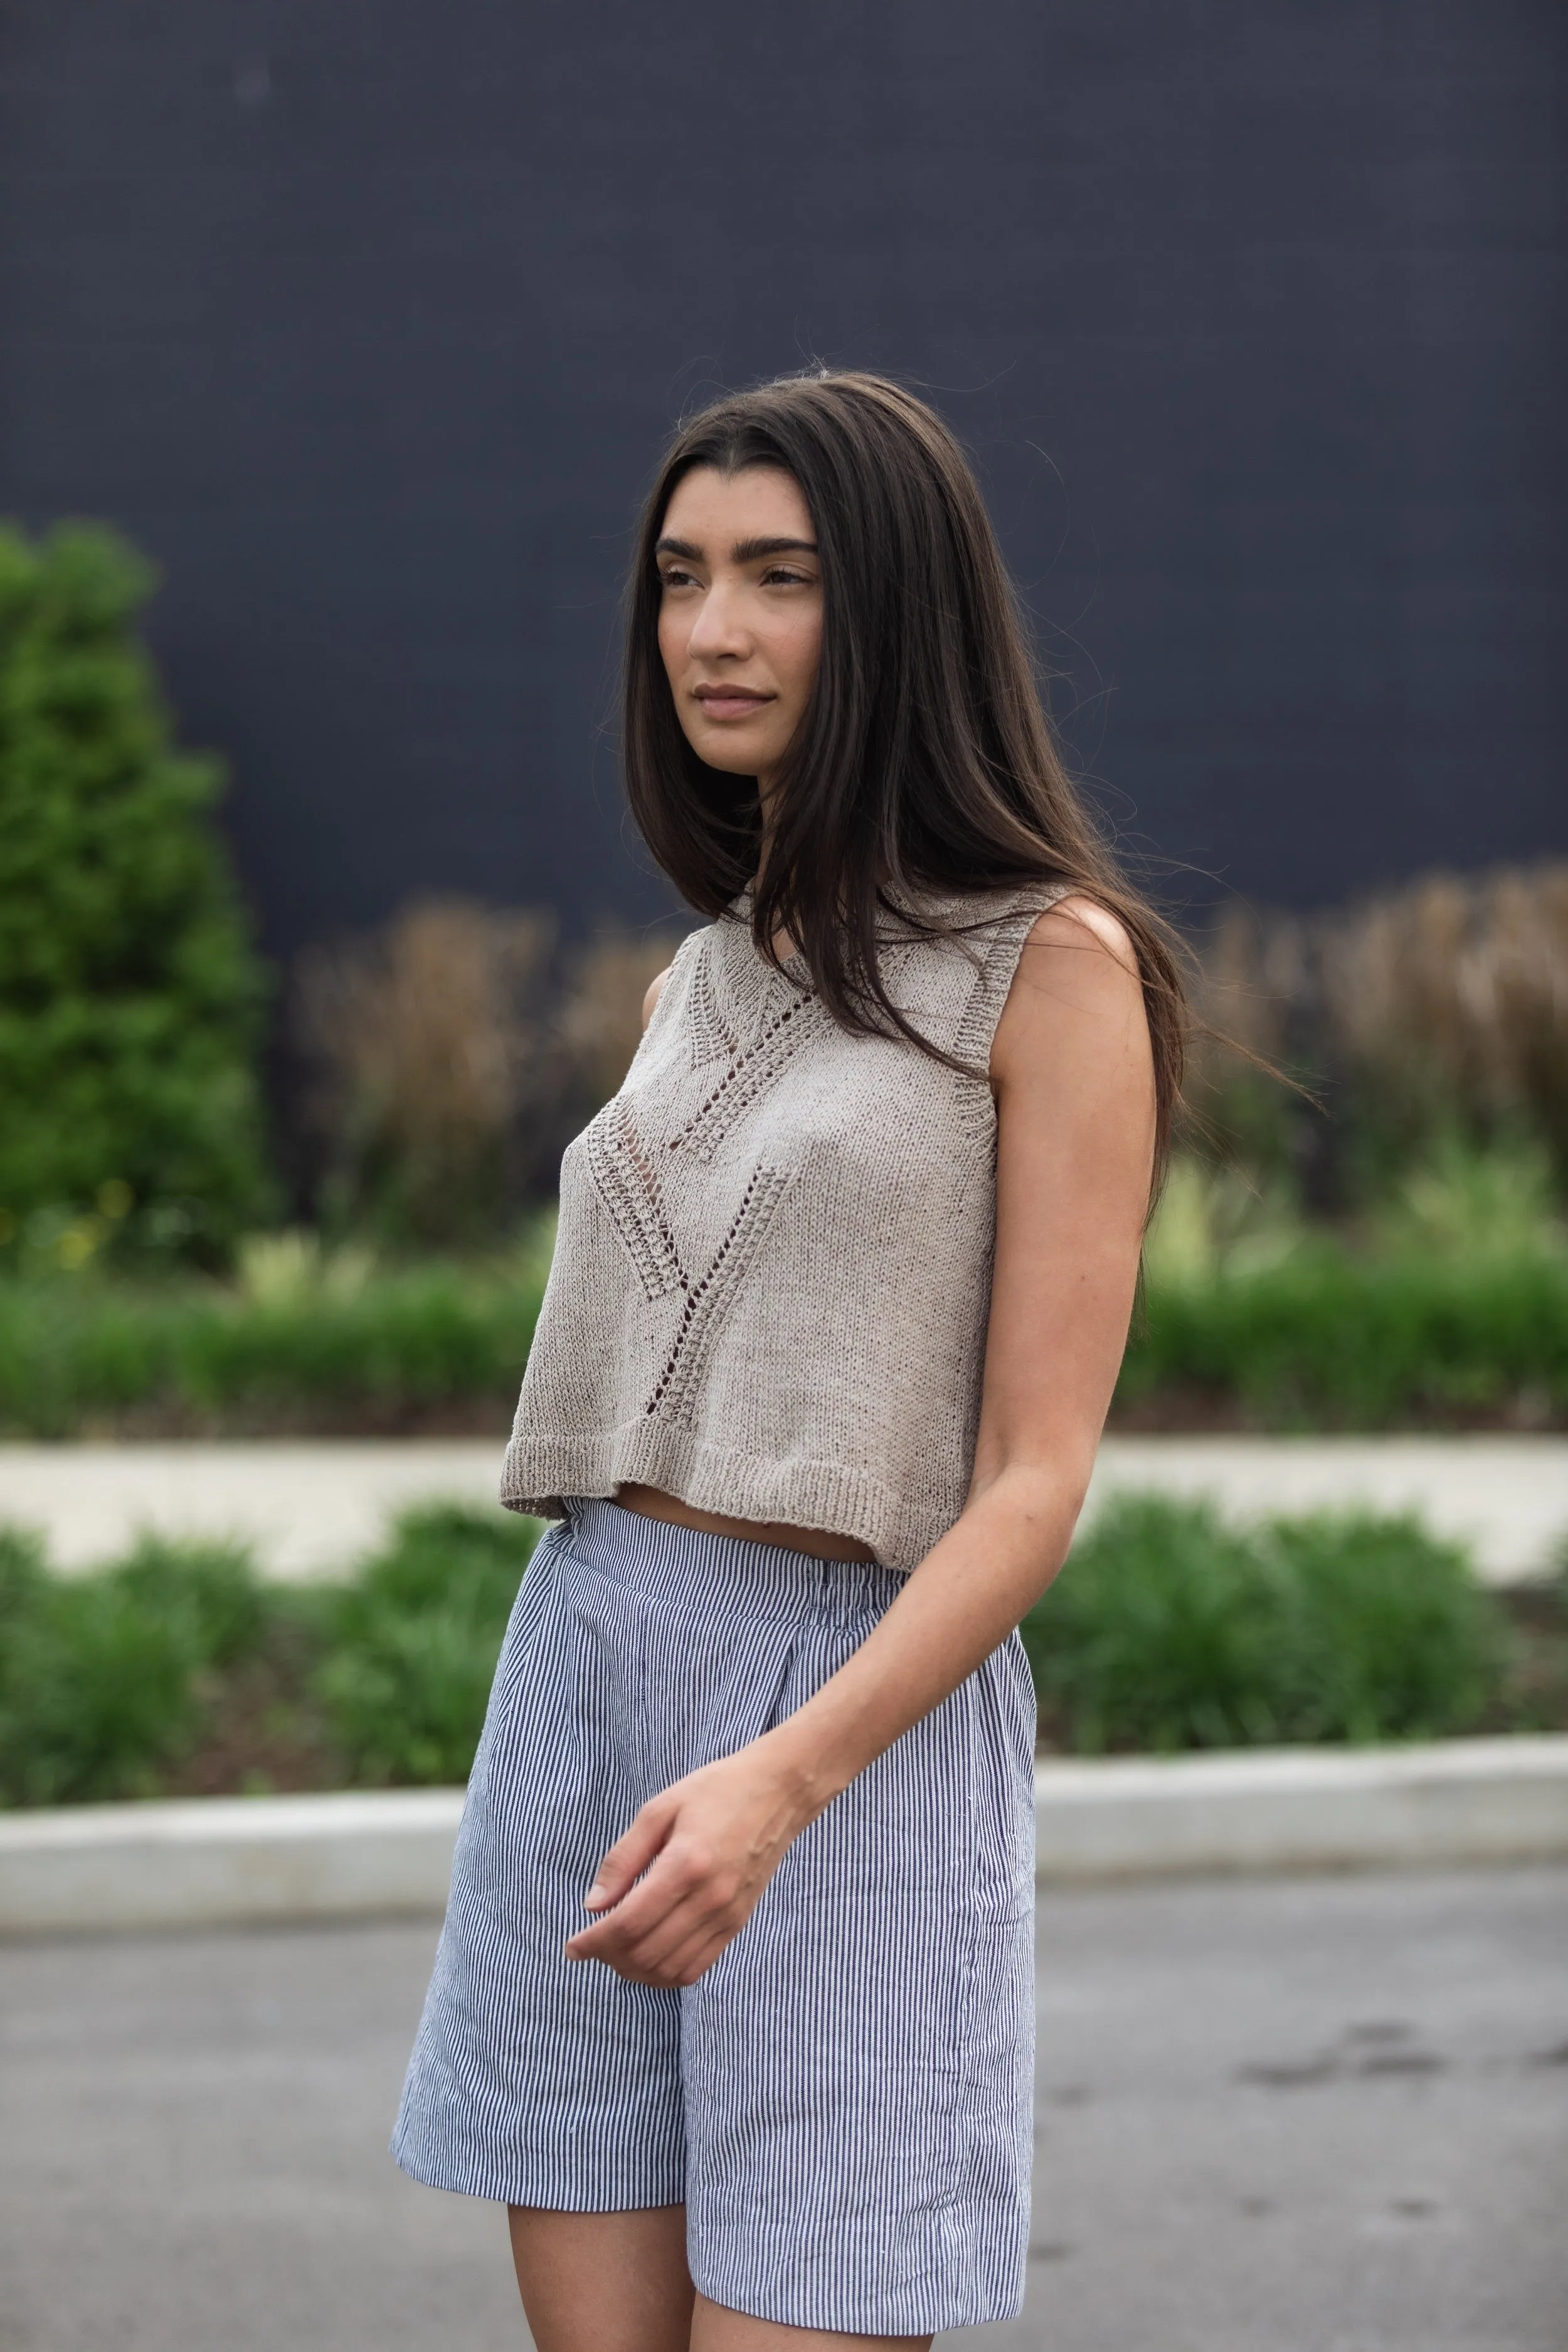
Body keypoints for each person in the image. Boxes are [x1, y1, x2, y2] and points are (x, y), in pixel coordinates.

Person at [393, 371, 1184, 2351]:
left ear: (894, 612)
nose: (710, 630)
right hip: (582, 1684)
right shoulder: (704, 968)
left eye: (777, 576)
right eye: (679, 577)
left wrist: (783, 1774)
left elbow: (1032, 1482)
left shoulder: (1050, 964)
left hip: (847, 1736)